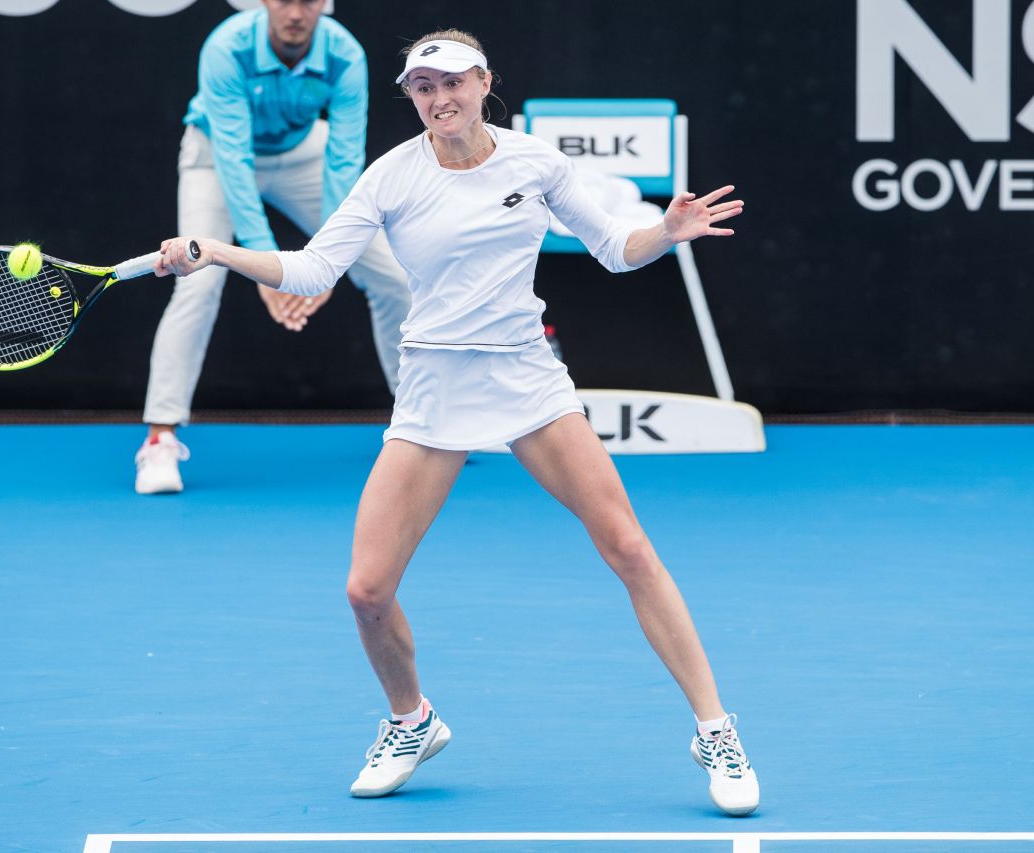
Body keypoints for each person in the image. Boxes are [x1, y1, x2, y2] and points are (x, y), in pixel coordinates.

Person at [154, 30, 759, 816]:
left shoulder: (535, 162)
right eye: (423, 88)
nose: (440, 99)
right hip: (434, 386)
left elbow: (615, 250)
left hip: (525, 378)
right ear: (412, 96)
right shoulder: (391, 176)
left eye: (453, 83)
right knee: (367, 589)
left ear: (484, 83)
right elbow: (311, 269)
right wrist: (216, 251)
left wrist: (666, 234)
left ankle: (715, 729)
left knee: (631, 547)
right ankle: (413, 720)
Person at [135, 0, 412, 494]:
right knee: (195, 280)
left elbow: (345, 160)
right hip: (214, 155)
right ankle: (159, 441)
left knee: (392, 273)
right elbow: (234, 161)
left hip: (303, 153)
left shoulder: (345, 54)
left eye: (308, 0)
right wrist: (272, 271)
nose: (295, 12)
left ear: (324, 4)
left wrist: (324, 263)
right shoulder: (227, 47)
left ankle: (420, 418)